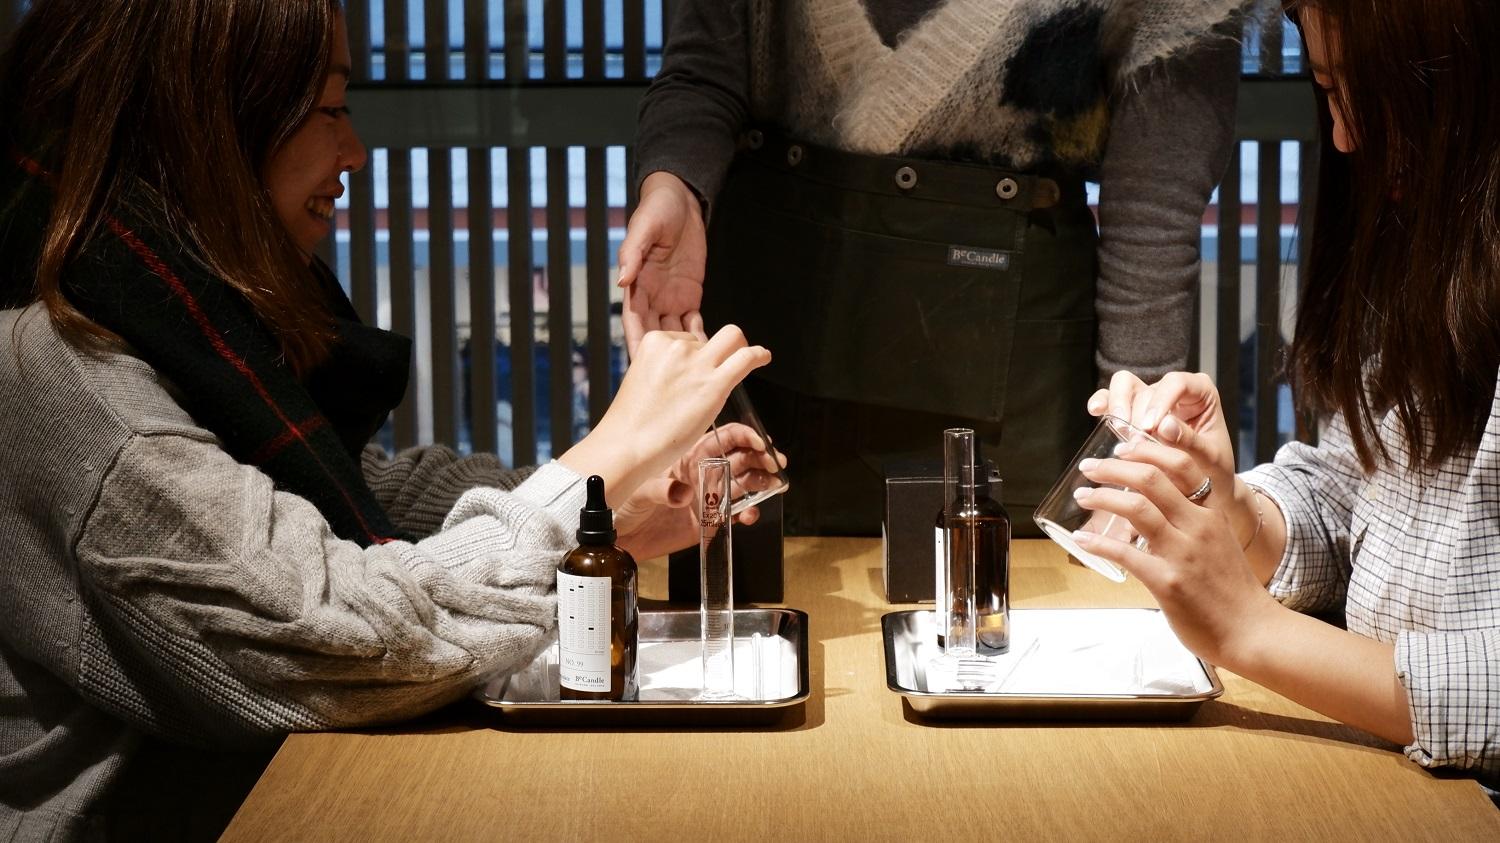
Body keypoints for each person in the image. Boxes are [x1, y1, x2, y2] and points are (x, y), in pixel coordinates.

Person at [0, 1, 775, 838]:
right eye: (330, 109)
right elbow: (334, 638)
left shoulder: (178, 313)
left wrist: (607, 513)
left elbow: (345, 493)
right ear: (208, 120)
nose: (356, 152)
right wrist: (609, 454)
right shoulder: (63, 369)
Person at [618, 0, 1261, 535]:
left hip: (1006, 356)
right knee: (740, 612)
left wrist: (1132, 448)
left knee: (1004, 615)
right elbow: (701, 73)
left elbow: (1153, 207)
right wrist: (675, 184)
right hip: (767, 339)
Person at [1073, 0, 1500, 791]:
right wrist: (1231, 504)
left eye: (1354, 89)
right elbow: (1353, 491)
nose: (1342, 137)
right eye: (1327, 90)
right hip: (1388, 767)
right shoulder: (1432, 240)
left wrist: (1248, 628)